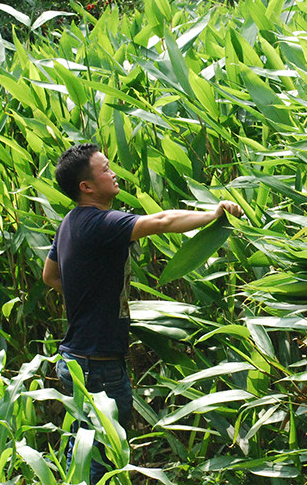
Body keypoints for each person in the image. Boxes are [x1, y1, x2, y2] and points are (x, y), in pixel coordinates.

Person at [42, 142, 242, 484]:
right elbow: (162, 221)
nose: (113, 172)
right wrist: (214, 215)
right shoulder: (101, 223)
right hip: (98, 363)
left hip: (73, 357)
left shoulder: (69, 223)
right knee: (104, 456)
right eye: (105, 169)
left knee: (83, 444)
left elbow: (50, 276)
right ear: (86, 187)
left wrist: (89, 294)